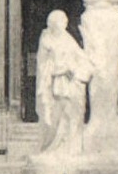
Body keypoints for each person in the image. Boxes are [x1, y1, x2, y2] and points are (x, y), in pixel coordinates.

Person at [35, 11, 94, 157]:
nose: (63, 25)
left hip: (71, 83)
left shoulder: (68, 39)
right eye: (60, 22)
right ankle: (55, 147)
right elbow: (44, 66)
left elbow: (81, 57)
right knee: (58, 116)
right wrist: (61, 70)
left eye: (64, 22)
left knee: (71, 115)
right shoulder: (47, 40)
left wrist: (78, 71)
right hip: (57, 83)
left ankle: (70, 147)